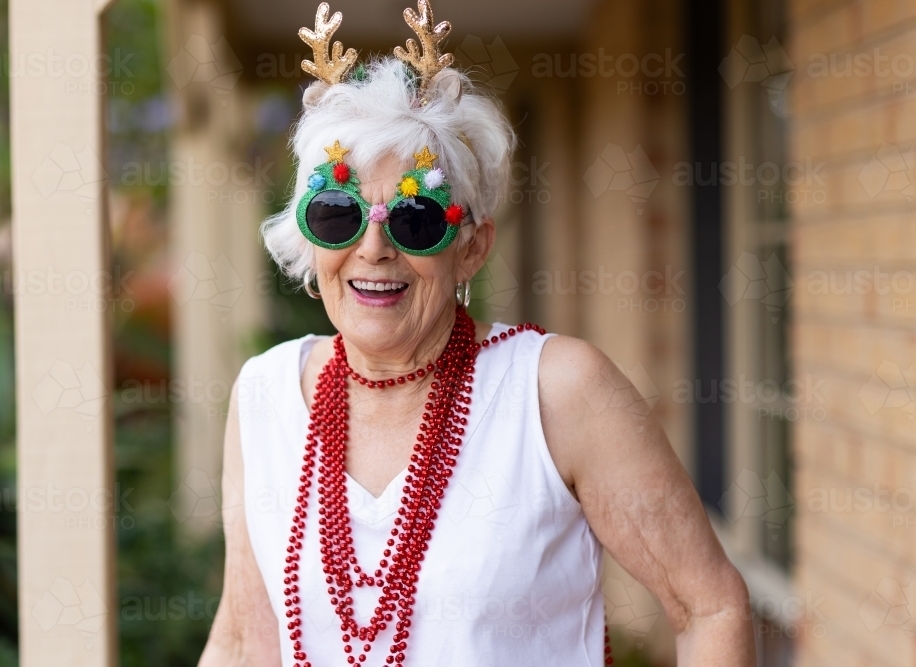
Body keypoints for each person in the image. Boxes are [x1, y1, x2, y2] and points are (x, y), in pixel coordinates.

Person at [199, 2, 755, 665]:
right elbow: (242, 637)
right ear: (309, 238)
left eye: (415, 220)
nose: (373, 248)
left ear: (470, 247)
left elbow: (710, 604)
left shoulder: (556, 390)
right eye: (338, 213)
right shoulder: (264, 395)